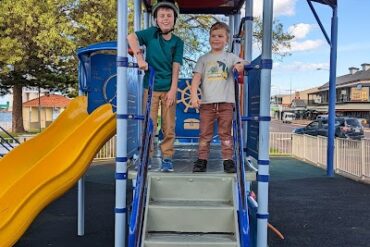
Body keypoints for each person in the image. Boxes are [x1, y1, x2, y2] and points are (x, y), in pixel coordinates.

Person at [127, 0, 184, 172]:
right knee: (149, 123)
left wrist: (174, 89)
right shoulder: (151, 34)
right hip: (150, 87)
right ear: (156, 20)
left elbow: (176, 66)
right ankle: (147, 156)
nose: (165, 19)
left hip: (168, 88)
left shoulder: (177, 42)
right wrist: (139, 58)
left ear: (174, 19)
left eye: (169, 15)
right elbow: (131, 37)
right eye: (162, 16)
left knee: (168, 125)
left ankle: (167, 157)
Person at [190, 21, 248, 173]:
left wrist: (239, 66)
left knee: (225, 133)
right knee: (204, 133)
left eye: (220, 36)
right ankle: (202, 159)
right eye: (213, 36)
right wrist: (193, 95)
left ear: (226, 39)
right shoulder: (203, 59)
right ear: (209, 38)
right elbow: (196, 78)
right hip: (207, 104)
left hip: (225, 103)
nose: (216, 39)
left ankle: (227, 160)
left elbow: (242, 62)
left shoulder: (230, 57)